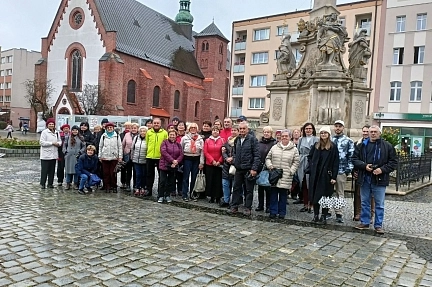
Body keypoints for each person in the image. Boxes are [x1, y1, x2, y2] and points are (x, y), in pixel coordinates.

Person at [353, 125, 397, 234]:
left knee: (379, 204)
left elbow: (393, 162)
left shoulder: (387, 146)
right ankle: (365, 222)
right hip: (365, 178)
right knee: (364, 202)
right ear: (368, 133)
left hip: (379, 179)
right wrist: (364, 166)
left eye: (375, 132)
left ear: (379, 133)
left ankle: (378, 225)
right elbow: (354, 159)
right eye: (371, 132)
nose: (373, 133)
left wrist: (382, 169)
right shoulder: (362, 145)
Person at [308, 126, 340, 225]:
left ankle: (324, 216)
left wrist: (334, 177)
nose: (323, 135)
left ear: (329, 134)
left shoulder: (333, 147)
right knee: (315, 196)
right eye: (322, 133)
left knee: (326, 197)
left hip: (326, 175)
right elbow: (310, 157)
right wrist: (312, 166)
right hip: (316, 175)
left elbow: (336, 162)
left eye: (325, 133)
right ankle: (316, 215)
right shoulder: (316, 146)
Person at [227, 121, 260, 216]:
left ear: (247, 129)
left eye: (243, 128)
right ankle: (234, 206)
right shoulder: (237, 139)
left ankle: (247, 207)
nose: (241, 130)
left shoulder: (253, 140)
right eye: (240, 129)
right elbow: (235, 152)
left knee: (248, 190)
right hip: (239, 168)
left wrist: (254, 168)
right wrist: (234, 161)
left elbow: (257, 155)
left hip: (249, 168)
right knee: (236, 188)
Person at [265, 129, 300, 219]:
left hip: (286, 175)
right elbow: (268, 158)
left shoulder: (294, 149)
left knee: (283, 195)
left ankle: (282, 212)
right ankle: (273, 211)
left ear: (290, 137)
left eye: (286, 136)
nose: (284, 137)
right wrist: (270, 166)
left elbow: (296, 162)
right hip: (275, 174)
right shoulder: (274, 147)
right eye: (283, 136)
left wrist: (291, 171)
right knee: (273, 194)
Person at [331, 120, 354, 223]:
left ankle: (339, 213)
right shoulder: (330, 139)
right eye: (336, 126)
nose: (338, 128)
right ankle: (326, 211)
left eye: (340, 126)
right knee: (327, 192)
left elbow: (351, 156)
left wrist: (348, 170)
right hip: (329, 171)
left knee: (339, 193)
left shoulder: (348, 141)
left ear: (343, 128)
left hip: (341, 170)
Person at [294, 123, 318, 213]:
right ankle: (305, 204)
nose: (308, 130)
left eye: (310, 128)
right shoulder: (301, 139)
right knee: (303, 183)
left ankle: (311, 204)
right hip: (302, 161)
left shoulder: (316, 139)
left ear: (313, 130)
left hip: (311, 162)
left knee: (311, 184)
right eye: (306, 128)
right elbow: (298, 151)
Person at [353, 125, 374, 221]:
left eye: (367, 131)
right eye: (364, 131)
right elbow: (354, 158)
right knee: (358, 194)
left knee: (371, 194)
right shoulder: (357, 144)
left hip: (371, 172)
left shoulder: (375, 144)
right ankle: (358, 212)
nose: (365, 133)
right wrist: (354, 171)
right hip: (360, 171)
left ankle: (370, 213)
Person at [180, 122, 204, 201]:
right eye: (191, 127)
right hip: (187, 158)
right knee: (185, 177)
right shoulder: (184, 138)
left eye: (195, 128)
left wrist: (201, 162)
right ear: (189, 129)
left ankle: (192, 193)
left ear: (197, 129)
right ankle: (184, 194)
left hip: (196, 159)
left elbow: (202, 152)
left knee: (194, 177)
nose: (193, 129)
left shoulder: (200, 139)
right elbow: (181, 149)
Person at [256, 126, 277, 213]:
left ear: (271, 133)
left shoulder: (274, 143)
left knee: (268, 188)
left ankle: (268, 206)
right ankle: (260, 205)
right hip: (260, 167)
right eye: (265, 132)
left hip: (269, 167)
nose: (266, 134)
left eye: (268, 132)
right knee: (260, 187)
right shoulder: (259, 142)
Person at [159, 130, 183, 203]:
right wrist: (172, 160)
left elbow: (181, 154)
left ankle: (167, 195)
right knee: (162, 181)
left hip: (173, 166)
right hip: (164, 165)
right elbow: (164, 152)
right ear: (168, 135)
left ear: (176, 136)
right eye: (171, 135)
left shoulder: (178, 144)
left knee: (170, 181)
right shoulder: (164, 142)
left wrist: (176, 162)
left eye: (173, 135)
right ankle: (161, 195)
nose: (172, 136)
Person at [146, 117, 168, 197]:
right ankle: (149, 190)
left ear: (160, 124)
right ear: (152, 124)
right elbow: (147, 143)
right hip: (150, 156)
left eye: (157, 123)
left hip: (160, 157)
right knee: (149, 175)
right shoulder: (149, 132)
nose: (156, 124)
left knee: (161, 176)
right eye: (154, 123)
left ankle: (160, 191)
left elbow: (166, 144)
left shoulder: (165, 133)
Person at [99, 122, 123, 192]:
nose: (109, 129)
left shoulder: (117, 136)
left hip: (114, 157)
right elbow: (100, 146)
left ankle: (114, 186)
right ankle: (107, 186)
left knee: (113, 173)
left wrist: (120, 156)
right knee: (106, 173)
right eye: (108, 128)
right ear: (106, 128)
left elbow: (120, 147)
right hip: (105, 157)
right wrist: (100, 156)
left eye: (111, 127)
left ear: (113, 128)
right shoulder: (103, 136)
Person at [204, 126, 225, 203]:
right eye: (213, 130)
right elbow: (206, 152)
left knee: (218, 181)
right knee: (210, 180)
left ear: (219, 132)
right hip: (210, 164)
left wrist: (219, 161)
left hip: (219, 164)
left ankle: (218, 197)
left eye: (216, 130)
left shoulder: (222, 140)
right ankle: (212, 197)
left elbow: (224, 152)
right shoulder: (207, 140)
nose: (215, 132)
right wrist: (212, 161)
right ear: (211, 132)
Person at [39, 118, 61, 189]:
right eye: (50, 124)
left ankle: (50, 183)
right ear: (47, 125)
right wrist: (51, 143)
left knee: (52, 170)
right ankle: (42, 183)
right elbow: (42, 142)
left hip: (54, 154)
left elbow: (60, 141)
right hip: (45, 155)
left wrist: (58, 144)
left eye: (52, 124)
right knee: (44, 170)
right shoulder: (44, 132)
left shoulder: (57, 132)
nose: (51, 125)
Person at [63, 125, 86, 190]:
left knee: (76, 171)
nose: (74, 131)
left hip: (77, 156)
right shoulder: (68, 137)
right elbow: (64, 145)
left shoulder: (81, 138)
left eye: (76, 130)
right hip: (69, 156)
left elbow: (84, 147)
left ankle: (75, 184)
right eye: (73, 130)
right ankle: (68, 183)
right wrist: (65, 152)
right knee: (68, 170)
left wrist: (80, 152)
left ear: (78, 131)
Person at [221, 126, 238, 207]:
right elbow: (223, 151)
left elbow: (240, 153)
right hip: (226, 166)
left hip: (235, 166)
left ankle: (234, 202)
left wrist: (233, 158)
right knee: (225, 184)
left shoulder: (239, 141)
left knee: (235, 185)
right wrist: (226, 158)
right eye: (233, 130)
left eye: (235, 130)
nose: (233, 132)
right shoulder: (227, 141)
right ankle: (226, 200)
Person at [121, 123, 139, 190]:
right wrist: (122, 154)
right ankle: (127, 184)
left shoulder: (139, 135)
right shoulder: (127, 135)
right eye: (132, 128)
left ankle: (135, 185)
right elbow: (123, 145)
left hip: (136, 155)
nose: (133, 129)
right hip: (127, 155)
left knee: (135, 171)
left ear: (137, 129)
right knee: (128, 171)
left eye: (135, 128)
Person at [131, 126, 148, 196]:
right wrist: (132, 157)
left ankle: (143, 187)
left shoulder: (148, 139)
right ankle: (137, 188)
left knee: (144, 175)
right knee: (138, 174)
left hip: (145, 160)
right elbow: (132, 148)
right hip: (136, 159)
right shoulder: (136, 138)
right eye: (141, 131)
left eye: (144, 131)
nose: (142, 132)